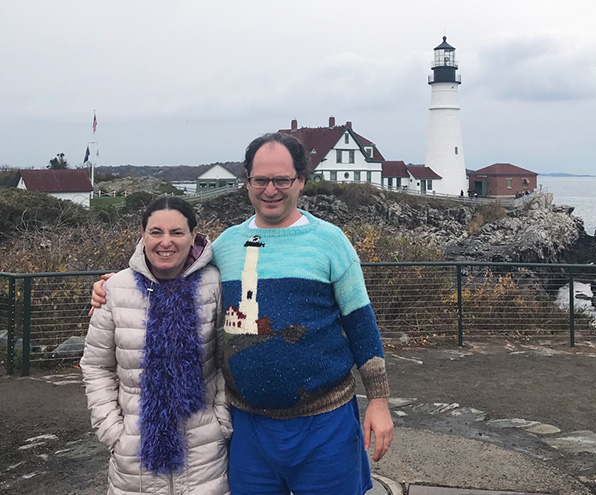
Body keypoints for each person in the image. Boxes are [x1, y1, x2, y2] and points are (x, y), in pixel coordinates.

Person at [91, 132, 394, 495]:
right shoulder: (226, 246)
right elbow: (174, 274)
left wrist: (379, 400)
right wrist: (116, 282)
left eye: (281, 179)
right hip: (247, 428)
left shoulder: (330, 241)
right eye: (260, 180)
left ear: (300, 181)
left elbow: (360, 322)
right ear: (247, 181)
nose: (270, 190)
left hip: (325, 424)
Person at [81, 197, 231, 495]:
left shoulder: (216, 284)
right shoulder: (115, 288)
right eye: (156, 232)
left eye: (177, 232)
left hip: (205, 456)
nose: (166, 242)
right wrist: (113, 431)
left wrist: (221, 421)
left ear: (193, 235)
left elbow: (229, 358)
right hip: (133, 457)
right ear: (143, 235)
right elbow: (96, 365)